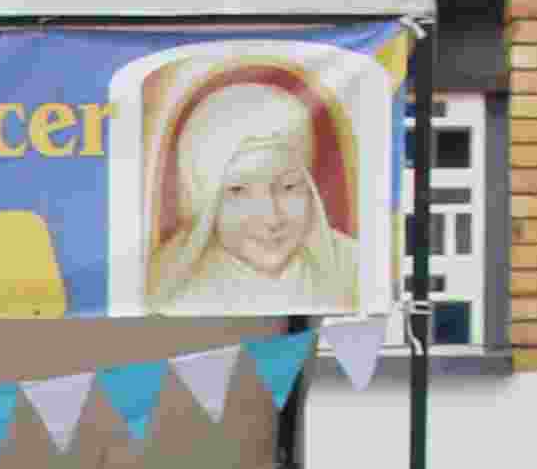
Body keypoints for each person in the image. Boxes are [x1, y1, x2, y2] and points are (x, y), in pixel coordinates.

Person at [139, 64, 369, 316]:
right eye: (238, 191)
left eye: (289, 187)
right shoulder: (168, 287)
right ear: (203, 200)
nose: (271, 218)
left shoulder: (356, 270)